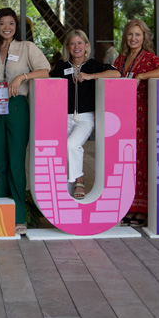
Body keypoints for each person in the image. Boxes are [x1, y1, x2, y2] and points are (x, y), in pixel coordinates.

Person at [0, 8, 50, 235]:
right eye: (2, 23)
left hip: (17, 106)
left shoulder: (26, 48)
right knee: (0, 162)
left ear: (16, 26)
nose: (7, 28)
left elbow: (45, 71)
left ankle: (19, 215)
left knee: (15, 161)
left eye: (11, 23)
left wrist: (23, 76)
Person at [49, 29, 120, 201]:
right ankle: (66, 190)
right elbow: (50, 82)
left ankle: (79, 180)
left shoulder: (94, 65)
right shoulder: (61, 66)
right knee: (63, 150)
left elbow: (117, 73)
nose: (76, 47)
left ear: (87, 45)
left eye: (80, 43)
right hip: (64, 116)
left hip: (86, 117)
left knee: (72, 144)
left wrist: (90, 76)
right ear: (67, 47)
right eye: (72, 43)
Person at [112, 18, 159, 226]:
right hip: (123, 117)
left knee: (142, 162)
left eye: (138, 34)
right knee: (127, 162)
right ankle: (128, 206)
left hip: (142, 117)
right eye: (130, 34)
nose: (133, 38)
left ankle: (142, 209)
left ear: (144, 37)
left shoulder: (149, 58)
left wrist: (143, 76)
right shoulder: (120, 59)